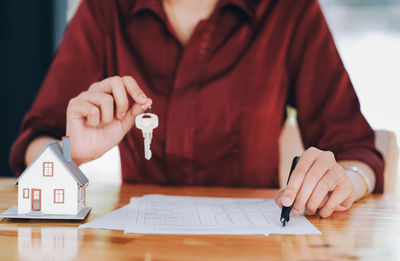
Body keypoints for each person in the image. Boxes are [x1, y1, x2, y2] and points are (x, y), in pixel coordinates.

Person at [10, 0, 384, 218]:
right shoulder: (106, 10)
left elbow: (357, 148)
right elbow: (35, 139)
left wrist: (344, 179)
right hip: (141, 253)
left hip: (254, 253)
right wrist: (69, 153)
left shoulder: (289, 10)